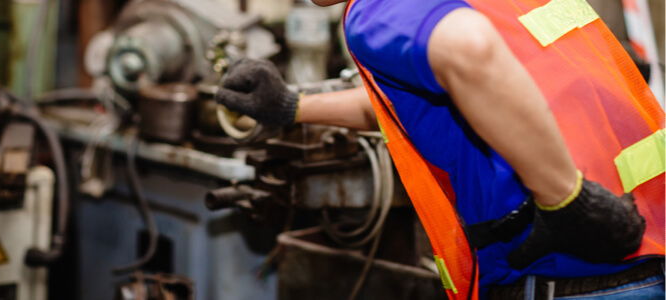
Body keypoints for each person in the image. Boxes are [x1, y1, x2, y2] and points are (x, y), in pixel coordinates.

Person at [215, 0, 666, 298]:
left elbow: (467, 47)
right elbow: (436, 96)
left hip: (571, 280)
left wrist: (566, 200)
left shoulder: (375, 9)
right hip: (643, 243)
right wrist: (293, 107)